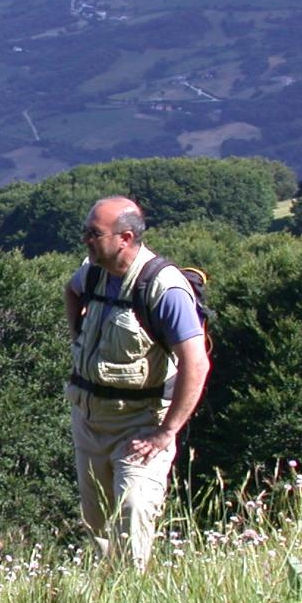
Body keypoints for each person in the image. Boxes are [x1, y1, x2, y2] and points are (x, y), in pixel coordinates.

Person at [64, 197, 209, 570]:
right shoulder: (94, 273)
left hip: (140, 426)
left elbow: (197, 363)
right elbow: (72, 289)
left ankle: (131, 597)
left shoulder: (163, 288)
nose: (86, 240)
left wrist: (167, 431)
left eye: (93, 233)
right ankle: (107, 596)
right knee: (97, 522)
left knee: (132, 512)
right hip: (89, 422)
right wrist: (78, 337)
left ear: (125, 237)